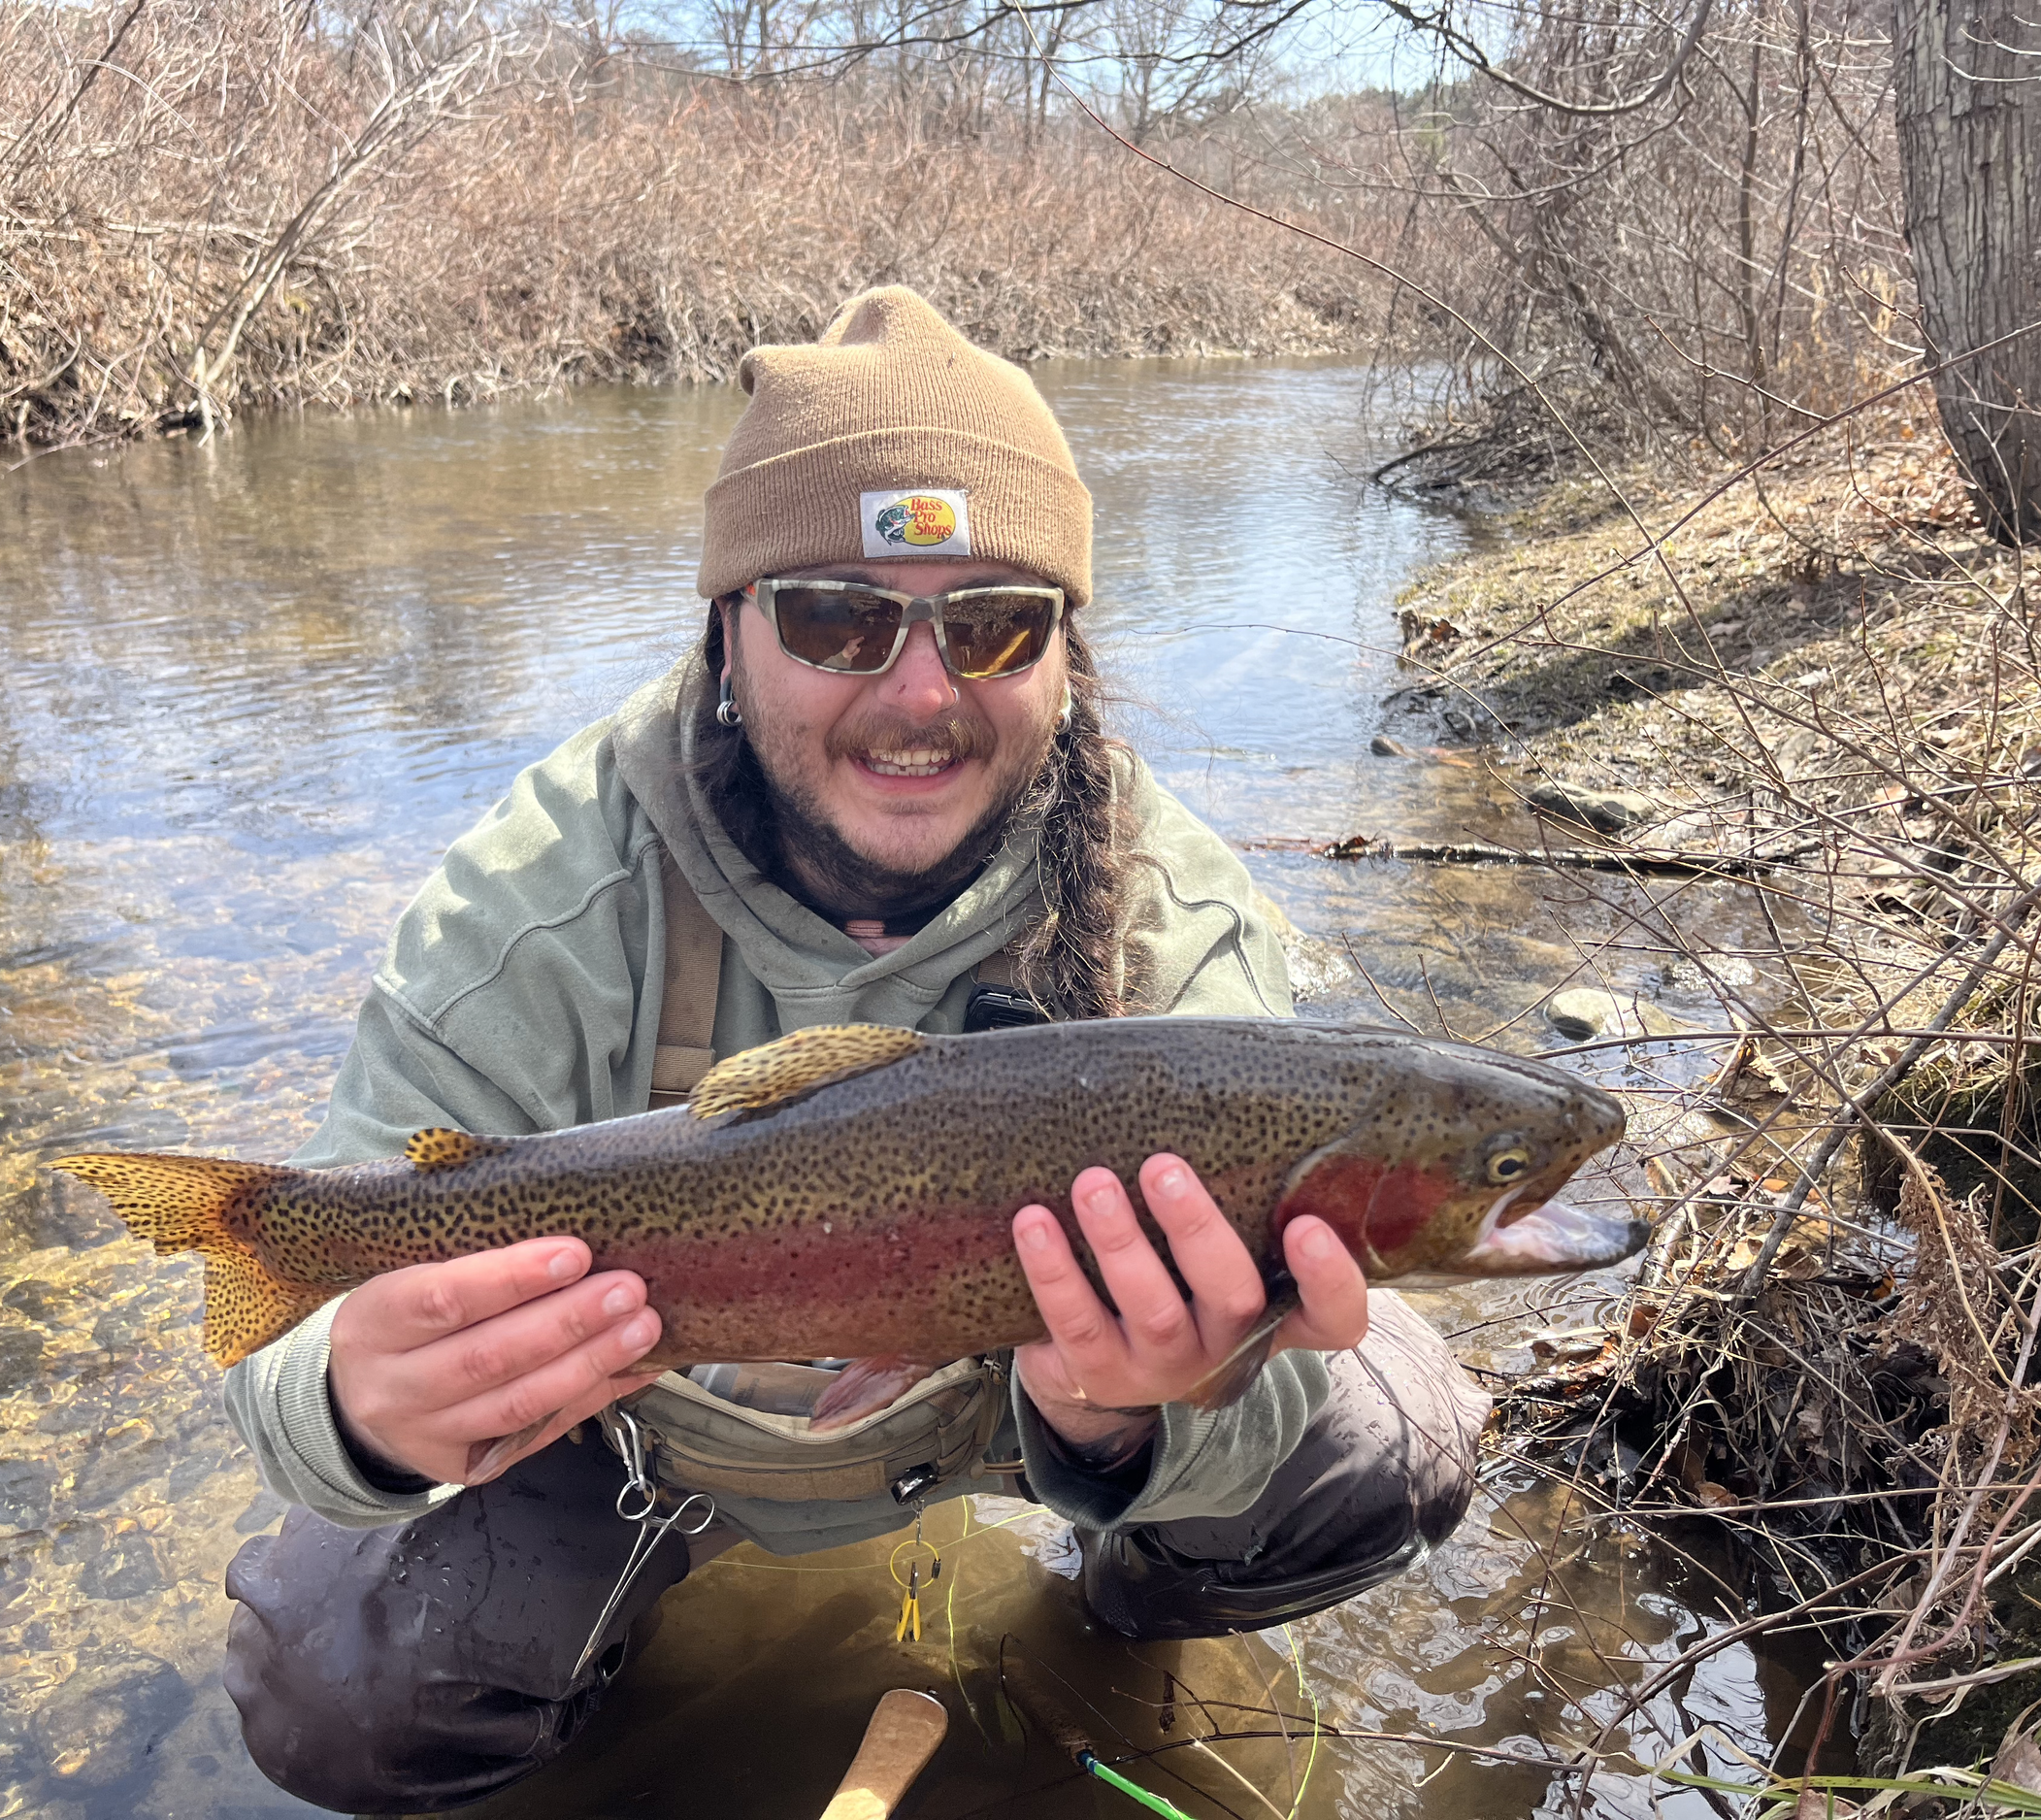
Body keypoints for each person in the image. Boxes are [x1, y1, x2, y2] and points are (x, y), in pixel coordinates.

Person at [217, 286, 1489, 1812]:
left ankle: (1118, 1621)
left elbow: (1281, 1399)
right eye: (837, 616)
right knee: (333, 1681)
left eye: (993, 622)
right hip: (635, 1440)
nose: (918, 691)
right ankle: (623, 1658)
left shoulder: (1176, 920)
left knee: (1400, 1438)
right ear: (730, 633)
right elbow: (285, 1347)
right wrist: (359, 1403)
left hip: (1022, 1421)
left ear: (1063, 656)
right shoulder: (542, 898)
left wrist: (1121, 1412)